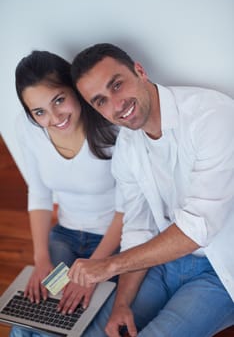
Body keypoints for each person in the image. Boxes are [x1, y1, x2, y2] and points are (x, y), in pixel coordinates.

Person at [68, 43, 234, 337]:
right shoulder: (127, 148)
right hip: (163, 260)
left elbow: (199, 227)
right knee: (95, 333)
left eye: (117, 85)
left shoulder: (212, 115)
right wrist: (122, 303)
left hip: (220, 269)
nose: (116, 105)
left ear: (139, 71)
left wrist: (109, 266)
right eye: (100, 101)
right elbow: (138, 227)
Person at [10, 50, 123, 337]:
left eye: (58, 100)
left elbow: (129, 209)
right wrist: (41, 259)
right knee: (31, 317)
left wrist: (95, 270)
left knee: (70, 320)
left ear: (74, 89)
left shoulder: (112, 129)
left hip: (113, 244)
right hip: (66, 238)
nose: (54, 117)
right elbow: (39, 192)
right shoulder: (29, 130)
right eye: (39, 112)